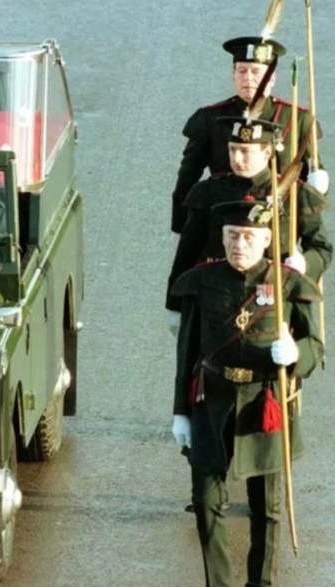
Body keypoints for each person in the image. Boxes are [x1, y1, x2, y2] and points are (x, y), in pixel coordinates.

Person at [170, 198, 323, 587]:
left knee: (265, 508)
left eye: (249, 237)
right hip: (212, 400)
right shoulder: (202, 282)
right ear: (222, 239)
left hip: (263, 401)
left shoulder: (287, 284)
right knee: (206, 500)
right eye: (232, 236)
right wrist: (180, 412)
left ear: (267, 239)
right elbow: (186, 351)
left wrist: (296, 354)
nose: (239, 244)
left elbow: (315, 347)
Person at [166, 117, 332, 324]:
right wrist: (175, 306)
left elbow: (321, 247)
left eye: (245, 152)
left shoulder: (296, 194)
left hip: (274, 298)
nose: (237, 158)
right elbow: (187, 253)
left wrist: (304, 263)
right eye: (232, 150)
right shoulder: (207, 192)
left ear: (266, 153)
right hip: (218, 298)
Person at [170, 36, 326, 233]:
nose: (248, 78)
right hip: (224, 222)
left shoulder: (297, 118)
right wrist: (182, 228)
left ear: (272, 78)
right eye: (241, 71)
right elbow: (187, 176)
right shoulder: (209, 118)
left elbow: (312, 172)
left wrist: (319, 187)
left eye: (256, 72)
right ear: (233, 76)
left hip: (279, 222)